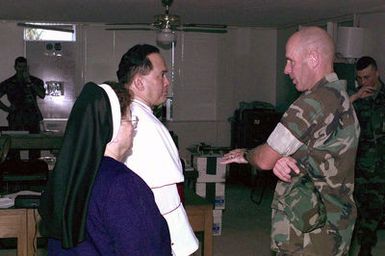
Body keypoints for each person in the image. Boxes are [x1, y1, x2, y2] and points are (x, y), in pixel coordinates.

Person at [221, 26, 360, 255]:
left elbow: (265, 158)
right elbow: (320, 151)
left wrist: (246, 154)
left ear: (313, 58)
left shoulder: (312, 103)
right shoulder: (340, 96)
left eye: (290, 61)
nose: (286, 70)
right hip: (335, 221)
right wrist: (284, 158)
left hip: (310, 231)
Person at [38, 82, 172, 255]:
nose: (133, 128)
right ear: (114, 127)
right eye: (130, 119)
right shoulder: (122, 184)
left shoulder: (70, 175)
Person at [117, 44, 199, 255]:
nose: (167, 81)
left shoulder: (126, 114)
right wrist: (183, 246)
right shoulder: (143, 123)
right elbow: (167, 199)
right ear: (138, 82)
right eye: (161, 75)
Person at [349, 56, 385, 256]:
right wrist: (355, 97)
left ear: (377, 73)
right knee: (356, 207)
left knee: (375, 207)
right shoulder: (355, 99)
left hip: (381, 165)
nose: (364, 82)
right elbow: (332, 115)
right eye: (360, 78)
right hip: (359, 164)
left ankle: (366, 247)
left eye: (368, 77)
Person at [0, 56, 45, 159]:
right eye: (20, 67)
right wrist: (7, 109)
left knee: (34, 148)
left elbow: (42, 95)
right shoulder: (9, 82)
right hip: (16, 118)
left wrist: (30, 82)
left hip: (32, 118)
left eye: (24, 67)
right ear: (15, 67)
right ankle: (15, 171)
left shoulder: (35, 81)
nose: (22, 69)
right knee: (14, 147)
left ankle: (35, 171)